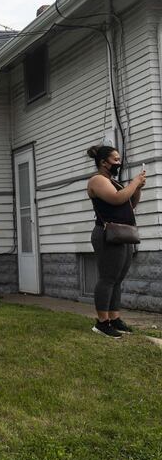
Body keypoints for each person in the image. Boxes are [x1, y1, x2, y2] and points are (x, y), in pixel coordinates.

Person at [85, 145, 145, 338]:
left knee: (117, 279)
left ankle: (114, 318)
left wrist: (137, 189)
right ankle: (102, 323)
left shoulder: (114, 181)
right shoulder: (97, 180)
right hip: (107, 234)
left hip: (123, 233)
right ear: (104, 162)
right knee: (108, 278)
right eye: (115, 159)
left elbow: (130, 204)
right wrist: (134, 182)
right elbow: (117, 199)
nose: (119, 163)